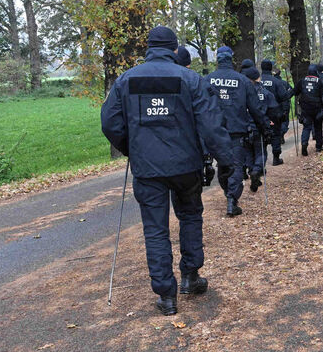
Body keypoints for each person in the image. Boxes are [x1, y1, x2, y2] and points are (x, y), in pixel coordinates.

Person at [101, 26, 239, 316]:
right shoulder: (191, 79)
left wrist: (132, 148)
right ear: (175, 49)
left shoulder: (127, 80)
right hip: (185, 165)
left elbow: (110, 123)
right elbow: (211, 124)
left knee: (155, 229)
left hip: (147, 168)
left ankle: (166, 295)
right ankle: (190, 276)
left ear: (148, 47)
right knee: (189, 217)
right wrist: (226, 160)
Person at [206, 47, 273, 216]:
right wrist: (265, 128)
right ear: (231, 60)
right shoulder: (242, 81)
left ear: (218, 60)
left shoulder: (207, 80)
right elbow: (255, 109)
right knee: (235, 165)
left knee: (222, 165)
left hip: (214, 131)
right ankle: (231, 199)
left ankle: (229, 194)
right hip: (236, 130)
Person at [241, 64, 276, 191]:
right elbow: (273, 108)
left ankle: (252, 171)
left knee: (248, 153)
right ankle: (257, 170)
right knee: (261, 151)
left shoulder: (241, 91)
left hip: (244, 127)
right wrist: (268, 122)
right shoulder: (264, 92)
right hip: (258, 125)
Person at [260, 60, 293, 165]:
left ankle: (260, 162)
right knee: (275, 136)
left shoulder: (255, 82)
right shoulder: (276, 82)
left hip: (259, 113)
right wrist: (284, 111)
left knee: (260, 136)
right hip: (274, 112)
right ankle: (275, 158)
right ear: (271, 69)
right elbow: (284, 97)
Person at [296, 63, 323, 156]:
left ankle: (304, 144)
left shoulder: (302, 81)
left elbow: (295, 92)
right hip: (317, 108)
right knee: (318, 127)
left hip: (305, 108)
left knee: (306, 127)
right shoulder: (320, 81)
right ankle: (319, 147)